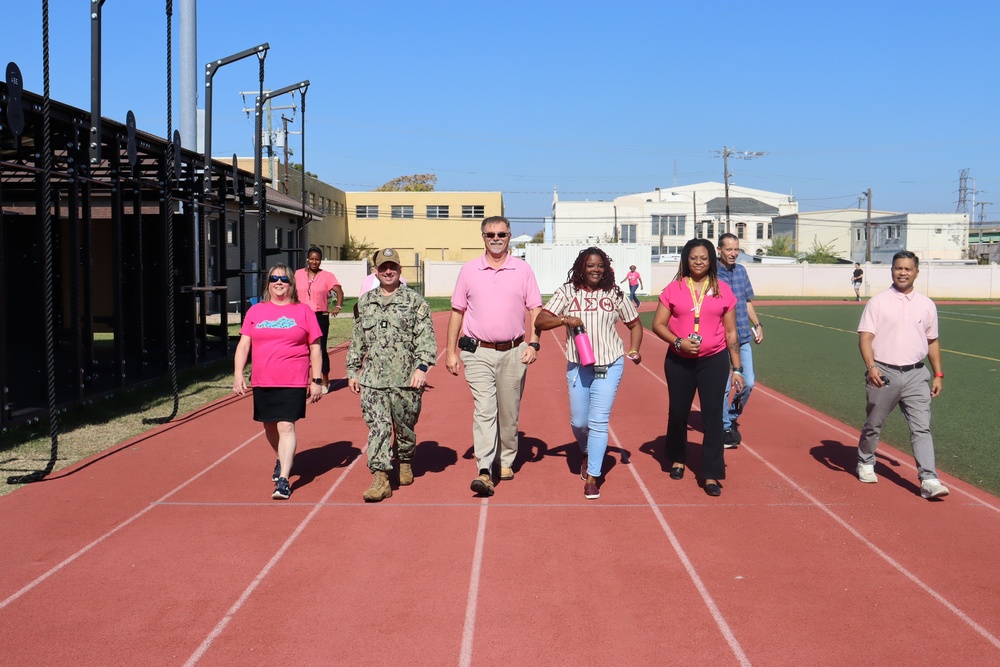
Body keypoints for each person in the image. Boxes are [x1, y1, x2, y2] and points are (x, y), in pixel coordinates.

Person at [446, 216, 542, 497]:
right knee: (485, 410)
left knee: (509, 413)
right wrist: (451, 352)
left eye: (501, 233)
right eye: (490, 234)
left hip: (514, 351)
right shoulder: (469, 270)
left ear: (510, 236)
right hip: (477, 353)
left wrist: (534, 344)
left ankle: (507, 458)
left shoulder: (523, 269)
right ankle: (485, 469)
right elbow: (457, 312)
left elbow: (536, 310)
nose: (496, 238)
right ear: (483, 237)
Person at [535, 247, 643, 500]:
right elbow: (540, 321)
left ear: (606, 268)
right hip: (578, 366)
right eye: (590, 265)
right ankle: (587, 450)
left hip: (610, 363)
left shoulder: (615, 294)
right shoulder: (567, 292)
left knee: (598, 422)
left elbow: (635, 324)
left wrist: (635, 348)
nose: (596, 270)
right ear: (581, 267)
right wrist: (564, 320)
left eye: (600, 265)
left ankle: (593, 476)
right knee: (579, 422)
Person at [651, 239, 743, 497]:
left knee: (713, 417)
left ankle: (711, 472)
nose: (699, 262)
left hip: (713, 361)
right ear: (685, 260)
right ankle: (678, 458)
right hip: (678, 361)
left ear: (712, 260)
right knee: (678, 413)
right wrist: (678, 342)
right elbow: (657, 324)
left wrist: (737, 369)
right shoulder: (674, 288)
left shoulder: (723, 290)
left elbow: (731, 332)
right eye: (693, 258)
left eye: (704, 258)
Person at [855, 251, 949, 500]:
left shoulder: (927, 305)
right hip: (883, 373)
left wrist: (938, 374)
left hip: (917, 375)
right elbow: (865, 337)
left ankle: (928, 479)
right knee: (874, 424)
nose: (903, 273)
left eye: (908, 269)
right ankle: (865, 461)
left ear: (916, 272)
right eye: (898, 268)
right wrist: (871, 366)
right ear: (892, 271)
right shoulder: (878, 302)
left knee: (922, 428)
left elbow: (932, 341)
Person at [347, 248, 437, 502]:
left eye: (393, 267)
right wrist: (353, 369)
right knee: (378, 427)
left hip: (406, 380)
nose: (388, 271)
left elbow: (426, 340)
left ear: (399, 270)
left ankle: (406, 457)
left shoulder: (415, 302)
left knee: (404, 425)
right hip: (373, 379)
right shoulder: (364, 303)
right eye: (383, 267)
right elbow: (357, 341)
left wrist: (421, 368)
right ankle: (380, 477)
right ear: (376, 271)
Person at [233, 263, 323, 500]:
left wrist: (316, 379)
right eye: (274, 279)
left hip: (293, 379)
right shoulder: (255, 312)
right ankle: (281, 457)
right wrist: (237, 374)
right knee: (269, 426)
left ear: (292, 283)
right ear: (268, 283)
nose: (279, 283)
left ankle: (284, 479)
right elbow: (244, 345)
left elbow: (315, 347)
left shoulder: (303, 311)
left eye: (284, 279)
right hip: (263, 379)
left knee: (286, 426)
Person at [717, 233, 763, 449]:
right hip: (720, 337)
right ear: (719, 250)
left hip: (743, 336)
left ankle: (732, 416)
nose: (734, 253)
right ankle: (724, 425)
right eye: (729, 249)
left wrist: (758, 324)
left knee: (749, 382)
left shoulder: (742, 271)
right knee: (724, 386)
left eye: (736, 249)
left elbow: (746, 301)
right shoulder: (712, 274)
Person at [294, 247, 344, 393]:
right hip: (301, 316)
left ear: (320, 261)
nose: (314, 262)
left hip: (319, 316)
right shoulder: (298, 274)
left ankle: (325, 379)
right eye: (312, 259)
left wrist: (338, 306)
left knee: (320, 348)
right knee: (302, 350)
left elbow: (339, 291)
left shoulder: (327, 276)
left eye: (317, 259)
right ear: (307, 259)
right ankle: (303, 381)